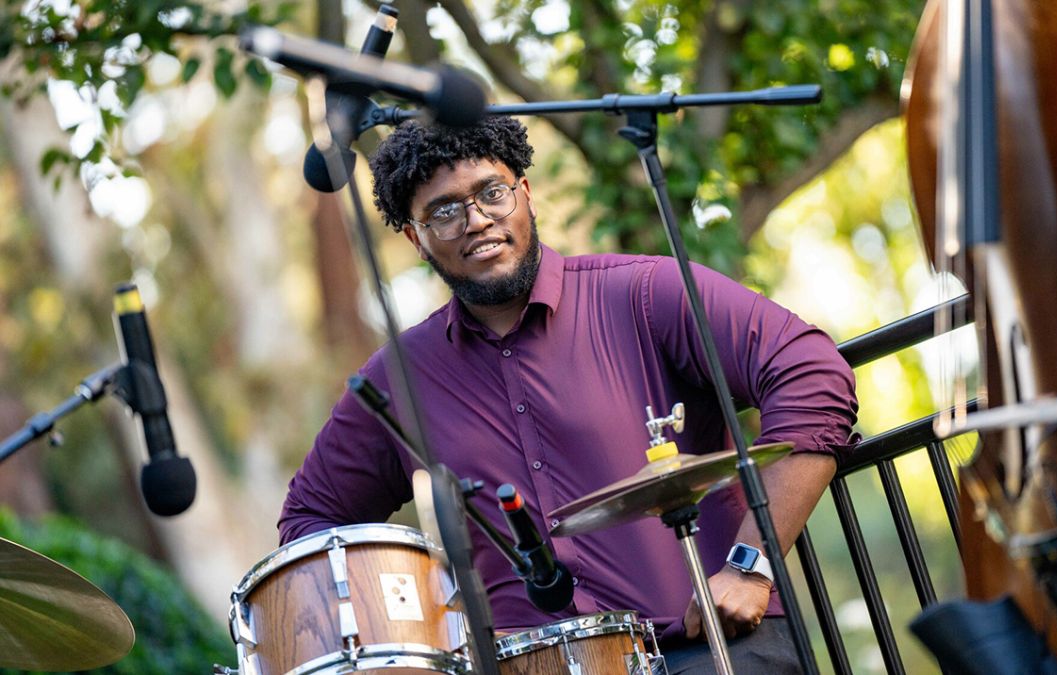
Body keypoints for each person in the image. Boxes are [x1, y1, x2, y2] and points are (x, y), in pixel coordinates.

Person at [279, 116, 858, 674]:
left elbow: (812, 372)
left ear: (526, 193)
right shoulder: (398, 379)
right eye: (445, 212)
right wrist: (427, 629)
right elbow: (312, 520)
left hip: (709, 647)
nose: (477, 220)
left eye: (492, 193)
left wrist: (751, 566)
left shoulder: (644, 291)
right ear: (415, 237)